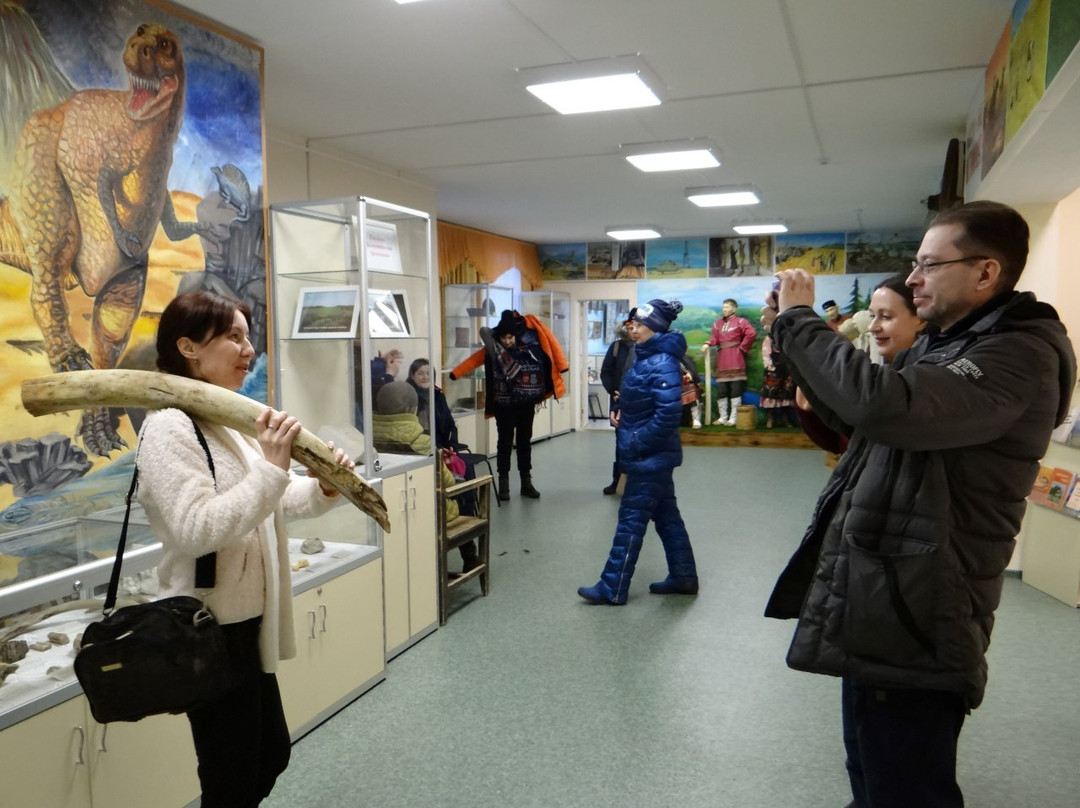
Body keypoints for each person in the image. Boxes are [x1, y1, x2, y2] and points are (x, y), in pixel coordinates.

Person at [762, 201, 1076, 808]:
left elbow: (887, 407)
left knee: (906, 782)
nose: (912, 279)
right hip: (884, 586)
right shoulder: (949, 342)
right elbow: (867, 424)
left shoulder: (1015, 355)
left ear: (986, 273)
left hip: (922, 600)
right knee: (871, 763)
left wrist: (802, 321)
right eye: (916, 264)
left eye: (930, 265)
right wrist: (797, 345)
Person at [136, 291, 355, 808]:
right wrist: (274, 469)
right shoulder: (169, 427)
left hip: (247, 623)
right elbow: (196, 528)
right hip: (207, 629)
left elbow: (268, 502)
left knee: (269, 754)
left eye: (246, 335)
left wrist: (322, 487)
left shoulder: (226, 420)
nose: (247, 348)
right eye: (233, 336)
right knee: (231, 774)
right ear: (187, 346)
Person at [578, 299, 698, 605]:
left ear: (655, 328)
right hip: (651, 455)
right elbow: (639, 396)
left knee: (630, 520)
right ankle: (684, 577)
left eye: (639, 325)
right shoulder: (646, 356)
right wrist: (620, 409)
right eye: (632, 325)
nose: (633, 330)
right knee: (667, 517)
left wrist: (635, 441)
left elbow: (668, 415)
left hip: (649, 457)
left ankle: (613, 587)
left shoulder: (662, 362)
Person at [797, 273, 926, 452]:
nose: (873, 327)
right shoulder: (886, 371)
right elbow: (842, 443)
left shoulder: (921, 382)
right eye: (873, 315)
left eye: (886, 316)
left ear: (920, 319)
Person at [449, 309, 568, 501]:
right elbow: (475, 360)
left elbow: (548, 356)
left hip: (526, 404)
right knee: (504, 443)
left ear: (516, 335)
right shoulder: (493, 347)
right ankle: (503, 483)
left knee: (524, 442)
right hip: (503, 405)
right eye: (504, 338)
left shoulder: (531, 347)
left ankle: (526, 482)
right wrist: (455, 373)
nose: (507, 342)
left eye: (510, 337)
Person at [702, 298, 756, 426]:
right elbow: (715, 338)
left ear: (734, 309)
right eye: (723, 307)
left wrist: (742, 348)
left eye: (727, 307)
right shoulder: (717, 324)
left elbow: (751, 333)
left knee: (735, 390)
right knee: (721, 390)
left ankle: (733, 418)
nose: (724, 309)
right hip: (722, 360)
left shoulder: (741, 322)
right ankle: (723, 417)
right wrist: (707, 343)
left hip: (736, 358)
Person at [599, 320, 635, 494]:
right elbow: (605, 372)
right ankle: (617, 481)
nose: (632, 330)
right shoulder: (616, 347)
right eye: (629, 327)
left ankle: (637, 483)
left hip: (639, 403)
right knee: (620, 442)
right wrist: (613, 390)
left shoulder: (646, 347)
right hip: (618, 401)